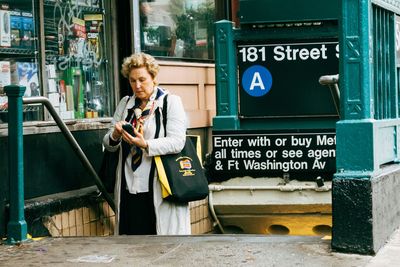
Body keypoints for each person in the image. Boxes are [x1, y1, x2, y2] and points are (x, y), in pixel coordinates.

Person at [102, 52, 190, 235]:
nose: (137, 85)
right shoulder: (125, 104)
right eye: (133, 81)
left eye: (142, 79)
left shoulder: (170, 102)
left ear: (154, 77)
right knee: (131, 243)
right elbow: (108, 142)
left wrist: (145, 144)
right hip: (128, 187)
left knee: (159, 244)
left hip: (158, 187)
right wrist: (116, 135)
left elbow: (177, 142)